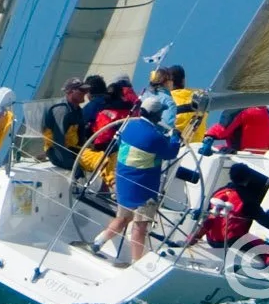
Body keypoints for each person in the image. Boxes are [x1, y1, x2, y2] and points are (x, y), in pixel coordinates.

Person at [90, 94, 176, 267]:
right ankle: (136, 263)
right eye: (160, 113)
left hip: (124, 182)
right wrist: (175, 138)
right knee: (140, 226)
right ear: (156, 115)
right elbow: (170, 153)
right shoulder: (156, 137)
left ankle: (98, 242)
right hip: (145, 189)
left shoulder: (128, 125)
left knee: (122, 218)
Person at [42, 80, 90, 169]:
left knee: (101, 158)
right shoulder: (61, 110)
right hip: (56, 152)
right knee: (92, 163)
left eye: (86, 90)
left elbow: (81, 138)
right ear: (71, 92)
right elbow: (58, 142)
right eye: (82, 90)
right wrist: (70, 164)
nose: (85, 93)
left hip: (72, 149)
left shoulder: (78, 110)